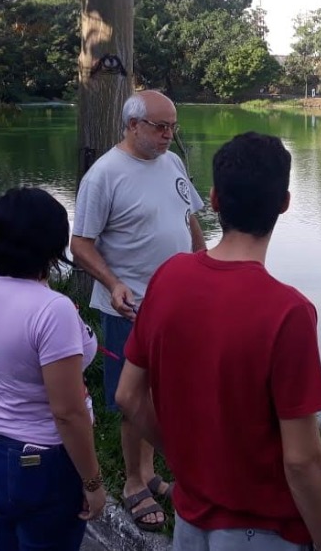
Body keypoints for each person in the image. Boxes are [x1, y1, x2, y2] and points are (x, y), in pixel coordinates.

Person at [115, 131, 321, 551]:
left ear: (213, 199)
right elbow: (302, 458)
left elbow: (128, 395)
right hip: (264, 532)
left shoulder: (168, 277)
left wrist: (185, 460)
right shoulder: (289, 312)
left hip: (190, 518)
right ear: (284, 204)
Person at [70, 89, 206, 531]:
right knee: (134, 399)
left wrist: (205, 262)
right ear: (132, 125)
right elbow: (80, 244)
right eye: (160, 127)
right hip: (131, 308)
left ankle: (150, 472)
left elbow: (189, 217)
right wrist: (112, 283)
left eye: (173, 127)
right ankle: (132, 482)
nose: (169, 135)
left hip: (178, 301)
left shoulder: (172, 163)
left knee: (164, 393)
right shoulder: (104, 175)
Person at [0, 187, 105, 551]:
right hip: (43, 464)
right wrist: (93, 483)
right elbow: (67, 414)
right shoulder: (52, 310)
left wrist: (11, 377)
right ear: (52, 245)